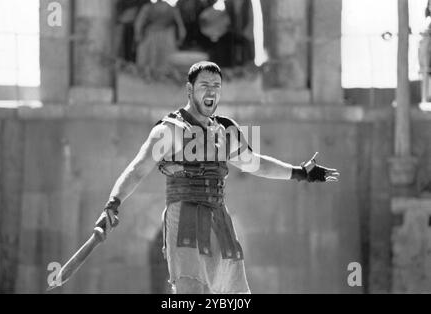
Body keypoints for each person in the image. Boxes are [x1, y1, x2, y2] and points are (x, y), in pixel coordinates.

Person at [95, 61, 340, 294]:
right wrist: (113, 203)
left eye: (216, 87)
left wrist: (300, 173)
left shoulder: (225, 131)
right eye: (204, 85)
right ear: (190, 89)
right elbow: (138, 168)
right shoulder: (168, 130)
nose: (211, 91)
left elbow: (255, 163)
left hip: (219, 219)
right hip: (185, 220)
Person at [134, 0, 186, 79]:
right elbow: (182, 28)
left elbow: (138, 23)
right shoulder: (172, 9)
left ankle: (153, 77)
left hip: (152, 35)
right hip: (166, 37)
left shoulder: (148, 7)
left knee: (152, 60)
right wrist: (180, 39)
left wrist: (138, 35)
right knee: (163, 61)